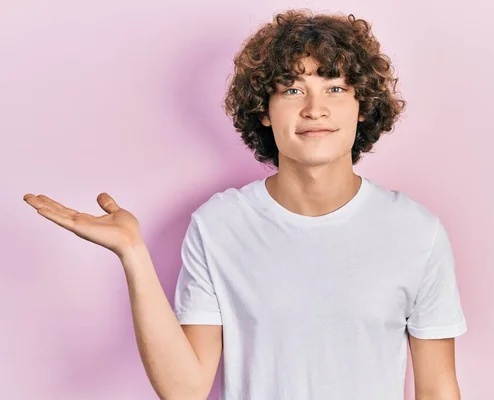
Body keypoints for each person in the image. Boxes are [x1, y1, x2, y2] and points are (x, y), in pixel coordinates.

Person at [23, 9, 467, 400]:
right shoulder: (219, 225)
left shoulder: (415, 231)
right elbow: (185, 389)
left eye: (335, 88)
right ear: (263, 110)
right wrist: (133, 254)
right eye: (292, 90)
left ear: (362, 107)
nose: (315, 108)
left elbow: (437, 389)